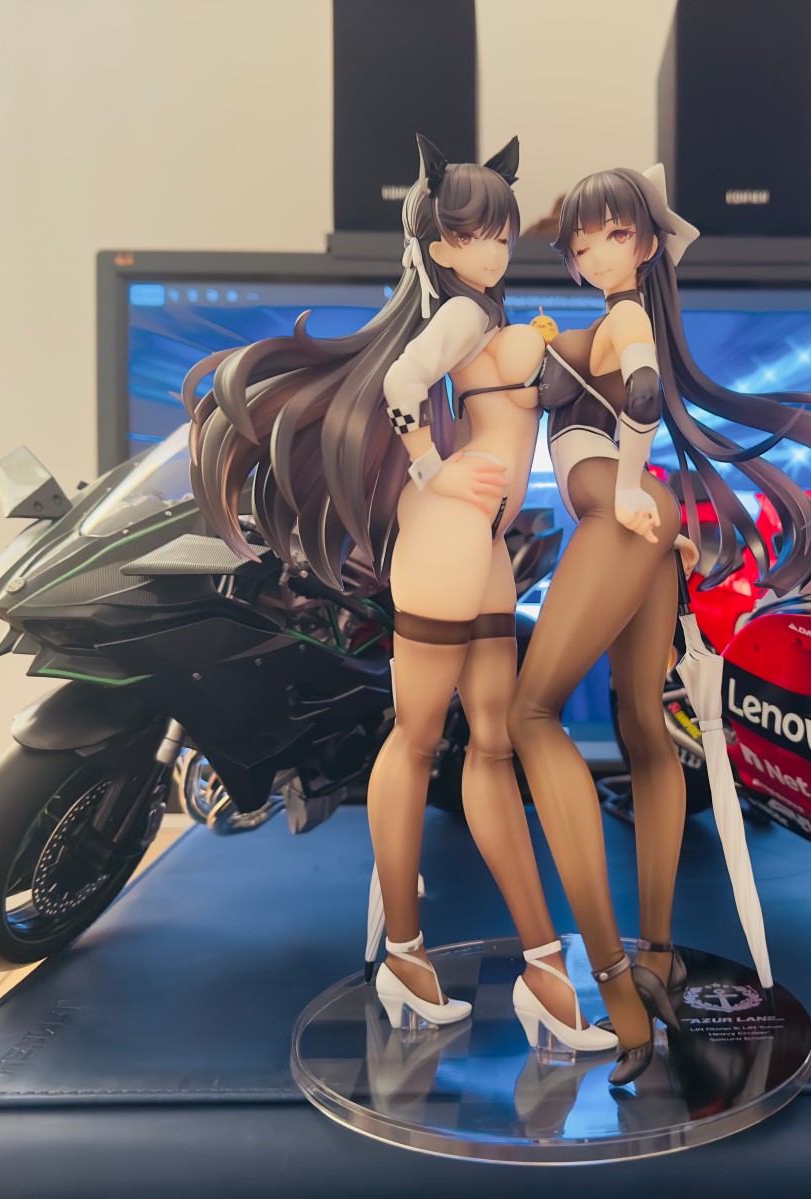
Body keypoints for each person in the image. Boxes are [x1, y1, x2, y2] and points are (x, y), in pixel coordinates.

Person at [185, 135, 614, 1054]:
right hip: (451, 535)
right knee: (418, 738)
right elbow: (401, 381)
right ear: (438, 242)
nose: (493, 248)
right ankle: (407, 955)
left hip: (482, 544)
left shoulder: (486, 314)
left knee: (489, 744)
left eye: (500, 231)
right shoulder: (458, 314)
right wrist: (431, 470)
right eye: (474, 233)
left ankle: (543, 965)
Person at [508, 165, 811, 1084]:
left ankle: (617, 986)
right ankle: (661, 956)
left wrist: (632, 488)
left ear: (645, 242)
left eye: (612, 235)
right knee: (643, 725)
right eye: (581, 241)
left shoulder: (626, 319)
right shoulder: (616, 316)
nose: (594, 252)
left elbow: (640, 396)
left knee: (531, 716)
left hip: (621, 514)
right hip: (641, 519)